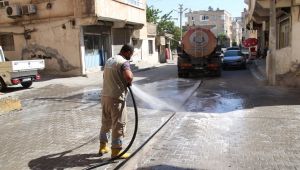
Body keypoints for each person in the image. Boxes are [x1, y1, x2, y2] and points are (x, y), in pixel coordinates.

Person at [99, 44, 134, 159]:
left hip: (105, 97)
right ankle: (116, 151)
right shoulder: (123, 62)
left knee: (106, 123)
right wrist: (129, 81)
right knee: (118, 125)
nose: (130, 57)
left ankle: (103, 146)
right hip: (116, 99)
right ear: (128, 52)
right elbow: (128, 77)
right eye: (131, 54)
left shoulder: (110, 60)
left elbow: (104, 76)